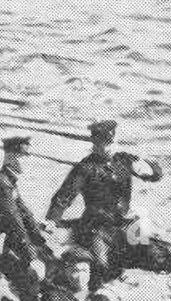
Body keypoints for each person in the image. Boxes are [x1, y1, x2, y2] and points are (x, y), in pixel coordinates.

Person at [45, 119, 162, 282]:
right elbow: (63, 197)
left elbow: (157, 175)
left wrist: (148, 167)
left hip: (125, 223)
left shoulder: (124, 160)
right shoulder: (85, 168)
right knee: (102, 266)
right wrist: (52, 220)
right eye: (102, 144)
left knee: (153, 256)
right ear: (95, 143)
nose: (107, 148)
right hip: (96, 227)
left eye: (110, 143)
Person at [0, 135, 55, 301]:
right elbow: (14, 222)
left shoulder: (9, 181)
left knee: (46, 257)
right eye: (22, 156)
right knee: (31, 272)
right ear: (10, 156)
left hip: (3, 238)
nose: (26, 161)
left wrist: (41, 241)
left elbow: (25, 214)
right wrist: (32, 257)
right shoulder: (1, 183)